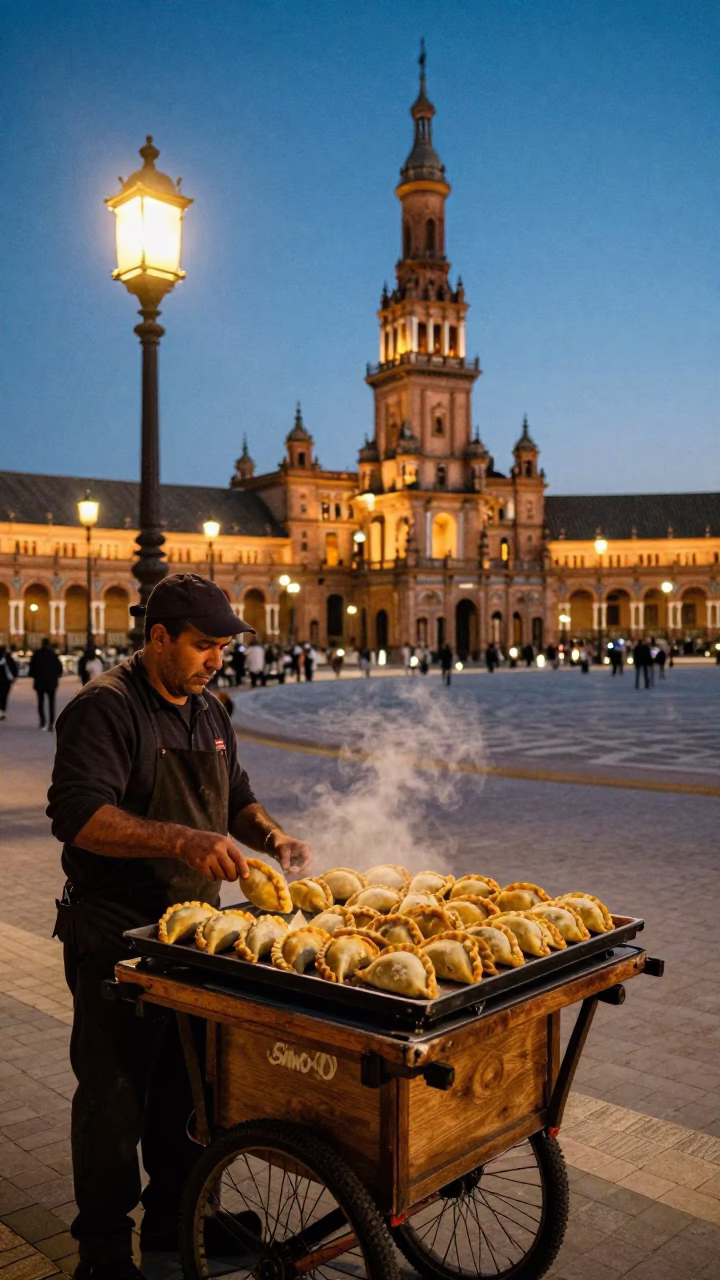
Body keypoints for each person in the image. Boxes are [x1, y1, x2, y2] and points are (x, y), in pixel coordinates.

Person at [47, 573, 313, 1280]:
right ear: (157, 637)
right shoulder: (104, 708)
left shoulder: (209, 709)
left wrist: (273, 837)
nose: (214, 660)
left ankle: (180, 1218)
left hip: (194, 935)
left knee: (190, 1089)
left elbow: (237, 800)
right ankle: (102, 1249)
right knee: (114, 1096)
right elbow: (78, 816)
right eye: (202, 645)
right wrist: (180, 840)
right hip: (115, 935)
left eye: (223, 647)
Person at [29, 638, 64, 730]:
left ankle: (42, 721)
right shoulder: (53, 655)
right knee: (51, 703)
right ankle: (51, 723)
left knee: (40, 702)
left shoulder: (37, 654)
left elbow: (32, 669)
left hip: (40, 682)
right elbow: (59, 669)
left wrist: (35, 676)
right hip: (51, 683)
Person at [0, 644, 18, 720]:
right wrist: (14, 677)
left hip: (3, 681)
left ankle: (1, 712)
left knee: (2, 697)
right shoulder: (8, 658)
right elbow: (14, 668)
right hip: (6, 682)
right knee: (4, 697)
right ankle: (2, 711)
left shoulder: (6, 658)